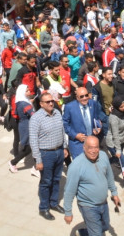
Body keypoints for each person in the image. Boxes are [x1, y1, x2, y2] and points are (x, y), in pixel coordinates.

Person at [63, 136, 120, 236]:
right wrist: (68, 212)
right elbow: (69, 191)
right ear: (84, 148)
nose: (93, 151)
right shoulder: (76, 166)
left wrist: (114, 193)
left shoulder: (103, 156)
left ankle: (83, 233)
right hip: (88, 206)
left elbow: (109, 175)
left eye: (96, 147)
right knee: (96, 233)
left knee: (105, 226)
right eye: (90, 147)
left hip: (103, 203)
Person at [29, 91, 69, 220]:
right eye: (48, 102)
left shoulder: (57, 113)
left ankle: (54, 203)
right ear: (41, 104)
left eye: (52, 101)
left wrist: (64, 147)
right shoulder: (36, 118)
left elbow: (62, 131)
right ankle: (44, 207)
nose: (51, 103)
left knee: (56, 179)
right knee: (46, 182)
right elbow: (33, 140)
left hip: (59, 151)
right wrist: (38, 160)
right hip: (46, 154)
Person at [63, 87, 104, 159]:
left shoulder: (93, 103)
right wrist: (75, 135)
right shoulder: (69, 107)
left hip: (91, 141)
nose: (85, 98)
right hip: (77, 143)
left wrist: (98, 127)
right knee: (80, 164)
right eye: (81, 96)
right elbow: (65, 124)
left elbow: (96, 118)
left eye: (86, 95)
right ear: (77, 97)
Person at [106, 100, 124, 195]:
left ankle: (102, 163)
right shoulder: (113, 118)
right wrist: (118, 150)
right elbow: (115, 135)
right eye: (121, 107)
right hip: (113, 143)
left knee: (116, 159)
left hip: (121, 141)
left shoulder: (123, 113)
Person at [8, 84, 34, 174]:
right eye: (26, 91)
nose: (29, 92)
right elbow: (33, 114)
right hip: (27, 126)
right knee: (29, 147)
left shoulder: (20, 101)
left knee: (31, 146)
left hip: (24, 124)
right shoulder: (24, 103)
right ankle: (13, 162)